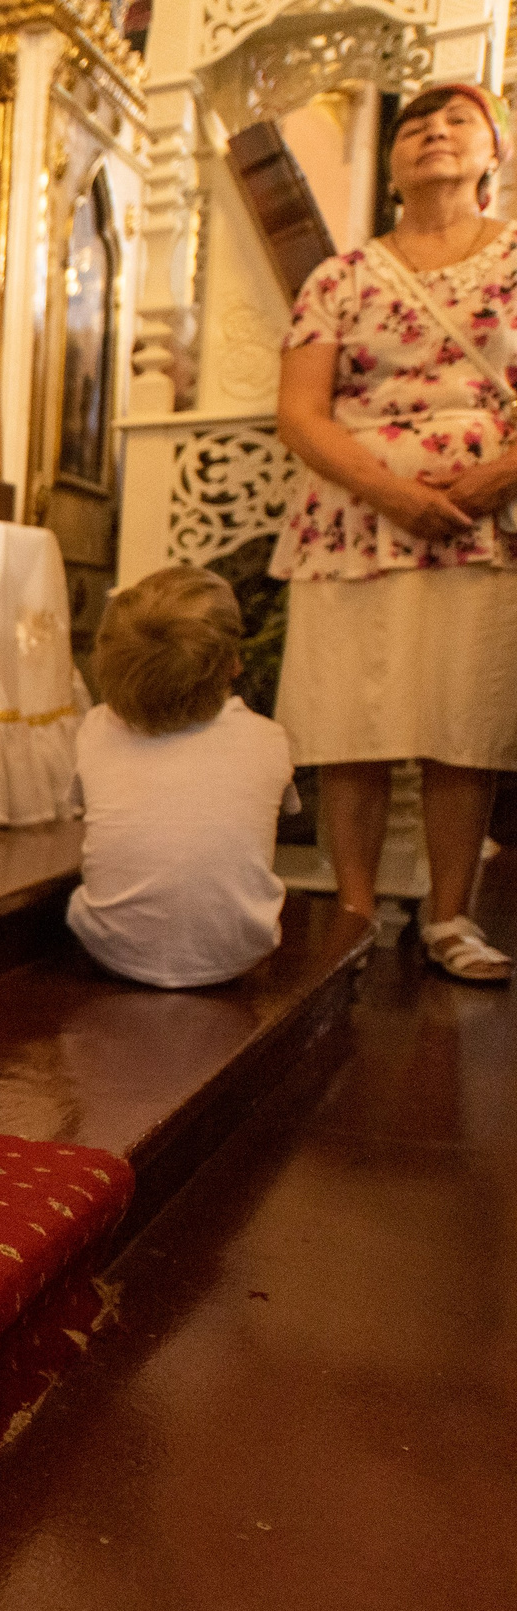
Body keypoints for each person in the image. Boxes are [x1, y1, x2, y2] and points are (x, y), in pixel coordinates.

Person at [274, 80, 517, 982]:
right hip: (354, 520)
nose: (433, 134)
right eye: (415, 126)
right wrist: (391, 490)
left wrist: (498, 473)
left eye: (458, 121)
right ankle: (353, 910)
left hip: (486, 521)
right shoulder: (338, 277)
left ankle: (451, 917)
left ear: (494, 153)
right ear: (392, 163)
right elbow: (302, 414)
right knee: (353, 718)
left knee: (466, 717)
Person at [67, 568, 300, 988]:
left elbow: (81, 807)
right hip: (239, 953)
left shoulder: (96, 730)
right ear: (233, 664)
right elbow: (286, 810)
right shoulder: (269, 739)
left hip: (114, 953)